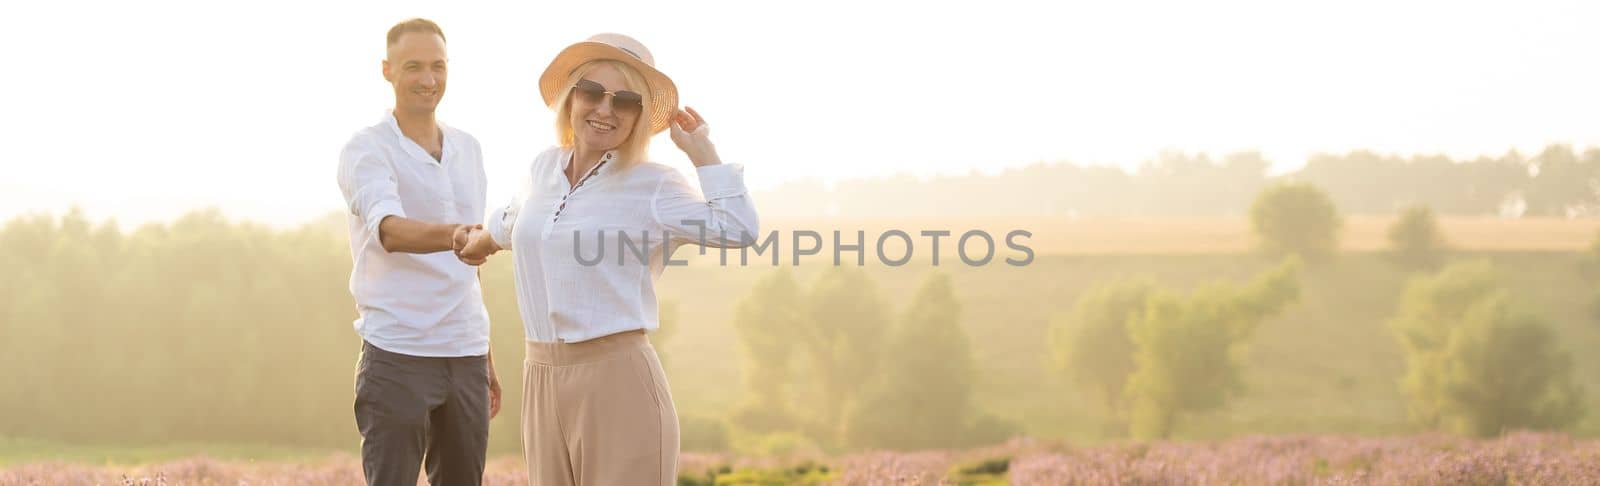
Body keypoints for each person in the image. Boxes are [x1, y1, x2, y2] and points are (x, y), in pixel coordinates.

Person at [454, 33, 758, 485]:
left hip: (620, 383)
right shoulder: (543, 169)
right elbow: (520, 220)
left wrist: (702, 152)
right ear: (571, 98)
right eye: (592, 92)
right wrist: (482, 239)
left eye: (626, 100)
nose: (605, 109)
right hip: (540, 378)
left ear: (638, 116)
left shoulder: (653, 185)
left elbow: (739, 228)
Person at [334, 18, 501, 486]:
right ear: (387, 70)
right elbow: (388, 230)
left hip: (465, 351)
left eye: (438, 66)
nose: (428, 80)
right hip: (397, 350)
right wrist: (454, 236)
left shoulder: (469, 148)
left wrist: (485, 354)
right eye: (413, 67)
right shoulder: (366, 149)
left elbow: (472, 257)